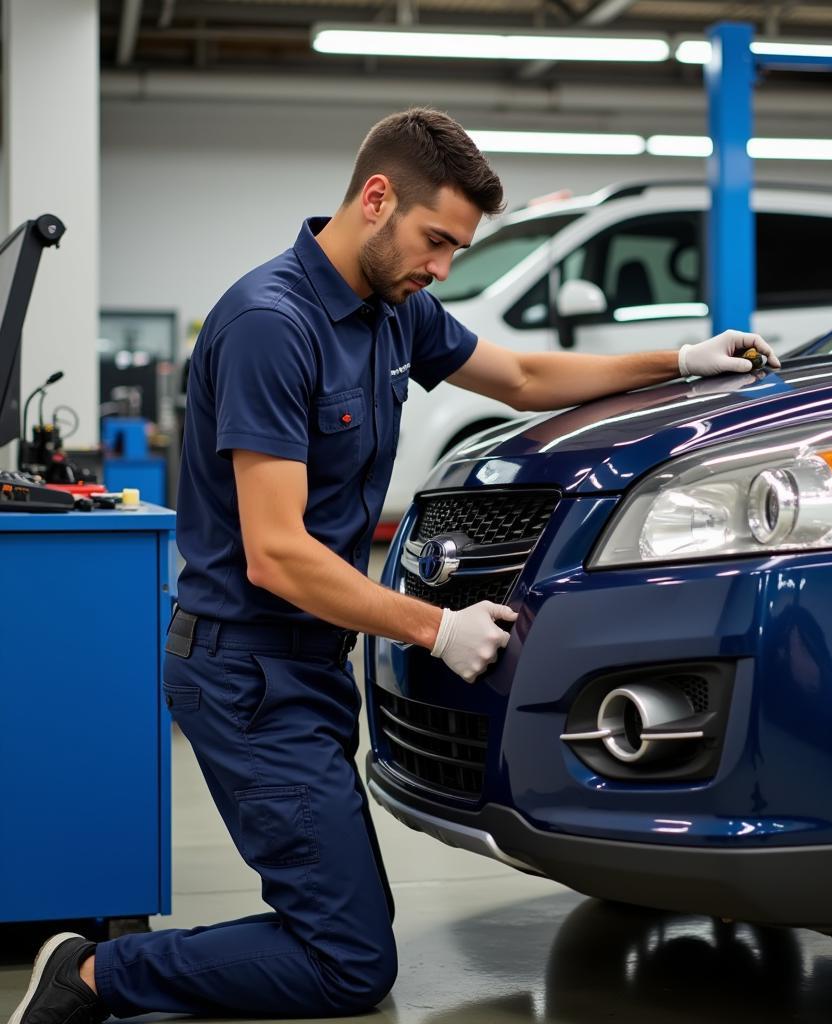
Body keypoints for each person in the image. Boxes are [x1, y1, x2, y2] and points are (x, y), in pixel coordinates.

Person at [7, 107, 779, 1024]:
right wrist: (435, 626)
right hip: (244, 672)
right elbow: (277, 552)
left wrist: (680, 360)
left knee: (342, 929)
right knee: (347, 963)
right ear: (377, 199)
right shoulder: (270, 324)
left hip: (308, 666)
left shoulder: (393, 311)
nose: (443, 268)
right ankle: (94, 977)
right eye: (437, 240)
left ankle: (127, 967)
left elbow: (522, 379)